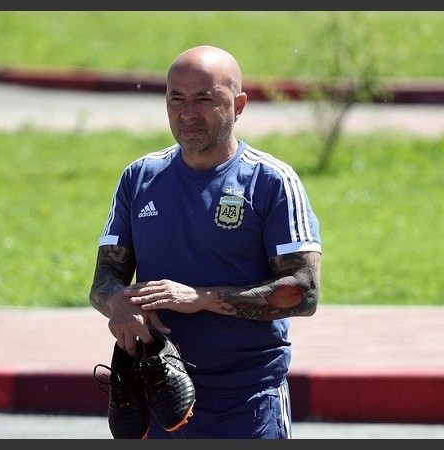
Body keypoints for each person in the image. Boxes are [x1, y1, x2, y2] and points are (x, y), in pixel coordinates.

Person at [89, 44, 322, 439]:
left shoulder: (272, 181)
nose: (187, 113)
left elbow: (304, 292)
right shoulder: (139, 178)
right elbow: (104, 280)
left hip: (248, 404)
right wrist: (119, 304)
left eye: (204, 99)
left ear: (239, 105)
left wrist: (200, 298)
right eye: (176, 99)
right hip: (161, 399)